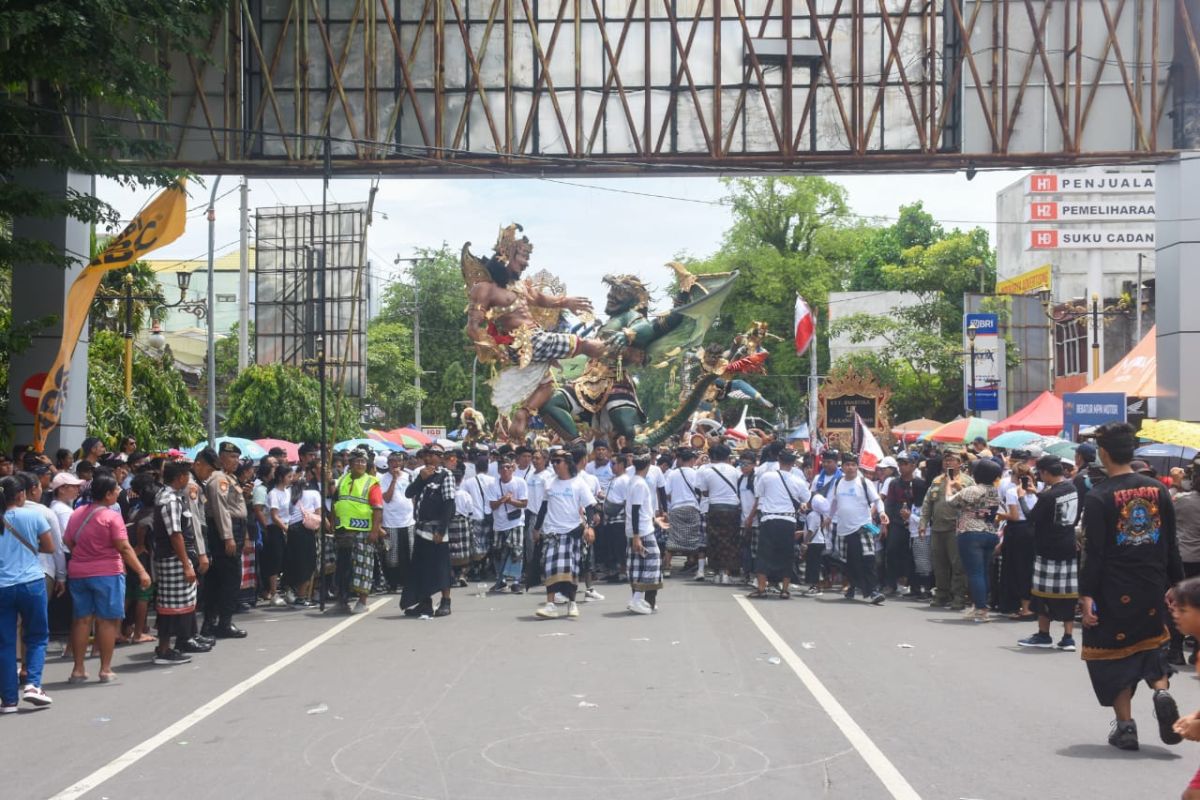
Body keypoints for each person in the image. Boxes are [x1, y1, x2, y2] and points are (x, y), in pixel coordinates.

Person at [1079, 422, 1183, 751]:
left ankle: (1125, 727)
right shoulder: (1158, 489)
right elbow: (1170, 544)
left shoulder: (1098, 497)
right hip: (1153, 583)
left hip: (1113, 588)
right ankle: (1161, 689)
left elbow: (1093, 554)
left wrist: (1086, 595)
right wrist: (1178, 585)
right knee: (1151, 644)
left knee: (1113, 655)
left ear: (1103, 453)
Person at [63, 475, 151, 684]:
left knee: (81, 620)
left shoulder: (76, 513)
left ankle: (78, 669)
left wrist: (83, 555)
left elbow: (67, 540)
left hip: (79, 572)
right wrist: (141, 571)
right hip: (107, 573)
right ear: (108, 494)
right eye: (116, 490)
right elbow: (123, 547)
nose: (119, 492)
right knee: (107, 621)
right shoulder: (112, 517)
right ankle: (105, 669)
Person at [0, 475, 55, 712]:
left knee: (4, 643)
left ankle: (8, 699)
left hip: (2, 585)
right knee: (37, 636)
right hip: (32, 582)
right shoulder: (34, 515)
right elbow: (50, 547)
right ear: (21, 494)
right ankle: (33, 684)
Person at [1016, 454, 1081, 651]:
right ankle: (1068, 637)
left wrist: (1021, 498)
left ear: (1045, 472)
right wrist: (1037, 493)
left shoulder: (1048, 495)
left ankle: (1044, 634)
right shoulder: (1072, 488)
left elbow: (1031, 516)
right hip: (1068, 545)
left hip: (1048, 548)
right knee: (1068, 592)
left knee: (1043, 593)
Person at [151, 461, 207, 665]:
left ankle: (167, 647)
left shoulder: (169, 497)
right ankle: (164, 650)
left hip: (173, 558)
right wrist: (186, 564)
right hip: (173, 559)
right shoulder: (170, 500)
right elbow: (175, 534)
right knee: (172, 607)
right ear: (180, 477)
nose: (188, 480)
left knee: (175, 605)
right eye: (187, 476)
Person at [532, 451, 597, 619]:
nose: (554, 464)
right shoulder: (549, 483)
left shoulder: (578, 483)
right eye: (552, 461)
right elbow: (543, 508)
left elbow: (590, 507)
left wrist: (589, 527)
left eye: (558, 461)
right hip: (552, 532)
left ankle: (572, 603)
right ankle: (550, 605)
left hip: (572, 532)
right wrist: (536, 528)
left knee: (571, 571)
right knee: (550, 569)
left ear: (567, 463)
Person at [944, 457, 1003, 623]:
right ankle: (980, 605)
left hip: (970, 532)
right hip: (990, 532)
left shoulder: (972, 490)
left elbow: (950, 502)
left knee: (974, 573)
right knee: (983, 572)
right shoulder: (994, 491)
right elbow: (977, 504)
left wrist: (949, 487)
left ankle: (981, 609)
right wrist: (960, 487)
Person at [202, 442, 251, 639]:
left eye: (237, 458)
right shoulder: (219, 479)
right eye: (232, 457)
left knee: (224, 578)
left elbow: (233, 505)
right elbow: (221, 509)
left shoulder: (230, 478)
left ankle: (216, 622)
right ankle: (222, 623)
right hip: (226, 530)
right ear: (221, 458)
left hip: (235, 527)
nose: (236, 462)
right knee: (228, 578)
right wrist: (228, 536)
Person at [747, 449, 810, 599]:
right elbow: (806, 500)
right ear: (794, 462)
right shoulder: (799, 481)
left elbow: (759, 495)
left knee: (764, 554)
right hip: (788, 521)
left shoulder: (766, 476)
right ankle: (785, 590)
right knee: (786, 555)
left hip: (769, 519)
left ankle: (762, 588)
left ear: (779, 460)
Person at [402, 445, 456, 617]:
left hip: (436, 529)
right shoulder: (421, 473)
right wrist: (421, 479)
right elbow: (408, 493)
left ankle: (446, 601)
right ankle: (424, 603)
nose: (429, 457)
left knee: (441, 567)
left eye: (434, 454)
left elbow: (449, 504)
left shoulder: (445, 475)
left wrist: (442, 530)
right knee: (421, 568)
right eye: (427, 454)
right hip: (421, 528)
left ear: (440, 457)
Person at [331, 450, 383, 614]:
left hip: (362, 531)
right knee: (342, 568)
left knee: (363, 567)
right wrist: (333, 523)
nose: (361, 464)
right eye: (357, 461)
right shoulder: (342, 480)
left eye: (363, 462)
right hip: (343, 531)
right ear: (351, 463)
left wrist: (375, 531)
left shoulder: (371, 482)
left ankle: (362, 601)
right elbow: (335, 502)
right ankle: (342, 601)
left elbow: (377, 509)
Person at [921, 448, 973, 610]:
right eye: (946, 460)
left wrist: (958, 487)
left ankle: (958, 597)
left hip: (956, 529)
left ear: (960, 463)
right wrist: (923, 523)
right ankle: (942, 594)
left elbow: (973, 502)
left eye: (952, 460)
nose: (948, 462)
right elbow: (927, 503)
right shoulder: (937, 481)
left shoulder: (967, 481)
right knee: (939, 564)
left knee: (958, 565)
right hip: (937, 528)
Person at [698, 443, 743, 586]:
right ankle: (727, 573)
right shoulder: (736, 471)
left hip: (715, 508)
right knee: (731, 540)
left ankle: (717, 573)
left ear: (712, 456)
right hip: (732, 508)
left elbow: (704, 492)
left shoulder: (707, 471)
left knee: (715, 540)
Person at [882, 453, 926, 597]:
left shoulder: (920, 483)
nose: (902, 467)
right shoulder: (894, 483)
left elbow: (923, 505)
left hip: (915, 523)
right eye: (900, 464)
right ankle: (890, 584)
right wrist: (886, 523)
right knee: (892, 551)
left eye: (905, 464)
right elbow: (889, 504)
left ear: (913, 466)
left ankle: (915, 586)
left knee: (914, 554)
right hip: (897, 522)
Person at [625, 452, 662, 614]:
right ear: (648, 466)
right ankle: (637, 599)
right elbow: (635, 510)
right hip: (642, 531)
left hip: (640, 528)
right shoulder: (639, 483)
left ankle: (639, 599)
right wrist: (637, 536)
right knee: (652, 563)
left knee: (639, 565)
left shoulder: (633, 481)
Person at [487, 454, 529, 593]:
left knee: (516, 551)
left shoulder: (520, 482)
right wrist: (503, 500)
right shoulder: (493, 484)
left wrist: (510, 501)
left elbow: (524, 503)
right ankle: (501, 581)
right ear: (499, 471)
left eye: (508, 467)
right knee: (498, 552)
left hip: (516, 521)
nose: (505, 470)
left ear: (513, 469)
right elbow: (492, 505)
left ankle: (516, 581)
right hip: (499, 523)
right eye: (503, 467)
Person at [664, 448, 704, 578]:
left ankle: (666, 567)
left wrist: (676, 500)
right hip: (693, 507)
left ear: (680, 460)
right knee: (694, 538)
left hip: (676, 508)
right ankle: (694, 563)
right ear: (692, 460)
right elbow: (701, 491)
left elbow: (667, 493)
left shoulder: (672, 474)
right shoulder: (695, 473)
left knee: (673, 538)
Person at [379, 452, 415, 592]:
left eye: (398, 461)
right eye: (392, 461)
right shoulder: (383, 479)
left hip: (408, 520)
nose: (395, 464)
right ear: (388, 463)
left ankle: (407, 582)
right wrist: (394, 480)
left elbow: (412, 496)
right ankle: (392, 583)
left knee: (409, 552)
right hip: (391, 521)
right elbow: (386, 498)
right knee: (392, 555)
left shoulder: (408, 476)